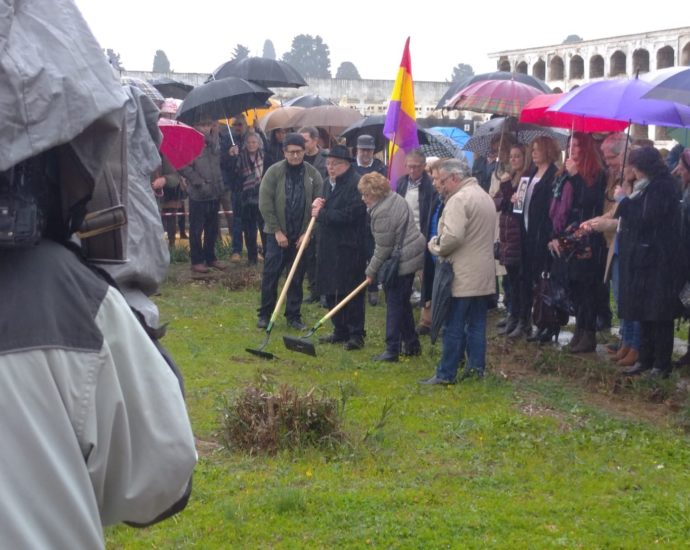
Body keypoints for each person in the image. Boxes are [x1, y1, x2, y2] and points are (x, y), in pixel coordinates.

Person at [419, 159, 497, 384]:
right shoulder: (484, 196)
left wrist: (434, 244)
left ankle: (446, 373)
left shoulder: (458, 200)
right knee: (477, 326)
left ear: (455, 178)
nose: (438, 185)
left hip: (461, 275)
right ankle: (475, 370)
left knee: (452, 325)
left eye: (442, 181)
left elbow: (452, 238)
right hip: (482, 274)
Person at [617, 147, 683, 378]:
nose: (632, 170)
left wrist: (624, 202)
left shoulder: (663, 186)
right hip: (643, 258)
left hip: (660, 259)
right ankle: (645, 358)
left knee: (659, 312)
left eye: (635, 165)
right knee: (643, 308)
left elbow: (647, 217)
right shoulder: (644, 187)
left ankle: (660, 363)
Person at [257, 133, 323, 330]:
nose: (295, 156)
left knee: (296, 277)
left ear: (304, 151)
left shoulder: (313, 175)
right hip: (276, 235)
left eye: (299, 152)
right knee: (271, 275)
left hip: (301, 236)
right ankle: (265, 314)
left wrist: (307, 234)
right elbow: (265, 203)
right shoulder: (273, 173)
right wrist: (277, 231)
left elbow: (319, 206)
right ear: (284, 152)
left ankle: (294, 316)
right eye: (291, 152)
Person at [548, 133, 607, 352]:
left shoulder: (596, 174)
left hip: (587, 238)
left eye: (576, 146)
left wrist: (576, 177)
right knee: (574, 286)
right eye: (569, 146)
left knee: (586, 288)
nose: (572, 150)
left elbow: (589, 200)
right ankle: (579, 331)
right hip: (568, 236)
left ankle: (588, 332)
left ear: (586, 149)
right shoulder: (564, 174)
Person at [359, 172, 426, 362]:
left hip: (404, 257)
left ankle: (392, 349)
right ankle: (412, 344)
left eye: (367, 195)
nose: (363, 199)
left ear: (377, 193)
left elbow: (382, 248)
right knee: (403, 301)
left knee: (394, 303)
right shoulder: (394, 197)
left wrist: (370, 272)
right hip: (411, 251)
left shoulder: (382, 213)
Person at [312, 145, 368, 350]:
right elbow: (325, 207)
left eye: (335, 164)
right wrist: (319, 204)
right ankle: (339, 329)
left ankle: (355, 334)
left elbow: (352, 214)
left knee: (350, 290)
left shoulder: (356, 184)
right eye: (328, 164)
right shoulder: (328, 183)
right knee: (331, 289)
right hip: (328, 245)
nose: (330, 168)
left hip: (349, 246)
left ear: (346, 164)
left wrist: (323, 215)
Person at [510, 136, 560, 341]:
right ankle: (523, 320)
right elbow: (523, 205)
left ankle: (545, 323)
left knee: (542, 281)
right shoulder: (530, 175)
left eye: (538, 150)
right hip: (527, 233)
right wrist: (516, 201)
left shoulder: (553, 175)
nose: (534, 153)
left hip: (541, 234)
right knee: (525, 279)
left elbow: (551, 208)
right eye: (533, 150)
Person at [179, 117, 225, 274]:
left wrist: (231, 153)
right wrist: (198, 182)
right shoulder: (190, 142)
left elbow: (222, 163)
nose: (205, 128)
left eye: (207, 124)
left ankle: (210, 257)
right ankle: (197, 260)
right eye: (202, 125)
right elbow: (182, 165)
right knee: (196, 229)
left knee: (212, 229)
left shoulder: (215, 142)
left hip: (215, 191)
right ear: (195, 126)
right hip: (198, 194)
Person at [493, 144, 528, 336]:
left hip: (517, 233)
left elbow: (516, 206)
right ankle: (512, 314)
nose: (513, 160)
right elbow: (499, 203)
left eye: (517, 156)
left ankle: (522, 318)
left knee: (519, 280)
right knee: (511, 279)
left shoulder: (525, 178)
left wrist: (507, 192)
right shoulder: (509, 178)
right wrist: (505, 186)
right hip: (506, 232)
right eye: (511, 156)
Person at [352, 133, 387, 306]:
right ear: (357, 150)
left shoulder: (381, 168)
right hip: (355, 217)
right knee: (356, 254)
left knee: (373, 254)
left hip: (374, 216)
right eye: (363, 150)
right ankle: (357, 287)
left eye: (369, 151)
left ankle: (373, 289)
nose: (366, 154)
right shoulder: (351, 167)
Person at [232, 131, 265, 265]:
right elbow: (233, 174)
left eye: (254, 142)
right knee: (249, 229)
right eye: (249, 142)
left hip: (262, 196)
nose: (251, 145)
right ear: (245, 144)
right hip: (245, 198)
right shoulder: (240, 156)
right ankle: (252, 258)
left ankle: (267, 255)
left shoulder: (264, 156)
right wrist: (232, 157)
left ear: (259, 144)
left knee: (264, 228)